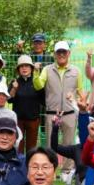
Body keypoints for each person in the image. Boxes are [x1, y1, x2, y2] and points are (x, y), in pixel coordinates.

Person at [34, 41, 81, 173]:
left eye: (64, 52)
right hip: (52, 113)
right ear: (54, 54)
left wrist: (81, 104)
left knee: (69, 144)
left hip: (69, 113)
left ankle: (67, 172)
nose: (61, 55)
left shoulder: (76, 71)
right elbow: (38, 85)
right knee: (50, 144)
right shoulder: (47, 69)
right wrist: (36, 73)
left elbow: (80, 91)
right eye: (58, 52)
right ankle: (50, 170)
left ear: (68, 53)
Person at [10, 55, 44, 153]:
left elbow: (43, 98)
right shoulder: (15, 82)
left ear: (31, 68)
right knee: (18, 144)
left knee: (32, 147)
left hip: (33, 119)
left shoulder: (36, 81)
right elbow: (9, 99)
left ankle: (30, 162)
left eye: (27, 66)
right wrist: (14, 89)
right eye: (22, 66)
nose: (24, 68)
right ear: (18, 69)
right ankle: (19, 162)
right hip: (18, 120)